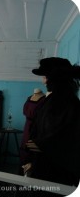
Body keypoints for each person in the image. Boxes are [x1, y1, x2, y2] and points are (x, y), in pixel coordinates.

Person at [26, 57, 80, 186]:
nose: (44, 82)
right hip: (46, 163)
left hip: (54, 168)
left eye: (46, 76)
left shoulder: (63, 101)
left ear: (55, 78)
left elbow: (62, 135)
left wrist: (37, 144)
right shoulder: (57, 98)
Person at [20, 88, 45, 174]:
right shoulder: (29, 97)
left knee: (31, 145)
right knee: (24, 144)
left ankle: (30, 170)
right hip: (27, 125)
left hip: (36, 126)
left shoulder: (44, 99)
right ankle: (22, 167)